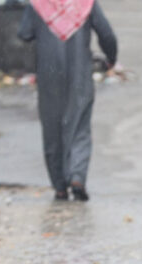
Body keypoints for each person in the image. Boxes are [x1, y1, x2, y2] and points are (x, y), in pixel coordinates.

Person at [18, 0, 117, 201]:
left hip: (48, 74)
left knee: (52, 127)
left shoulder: (37, 5)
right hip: (79, 72)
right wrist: (111, 58)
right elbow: (106, 34)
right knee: (80, 125)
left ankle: (60, 186)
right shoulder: (86, 4)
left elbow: (24, 33)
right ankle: (77, 178)